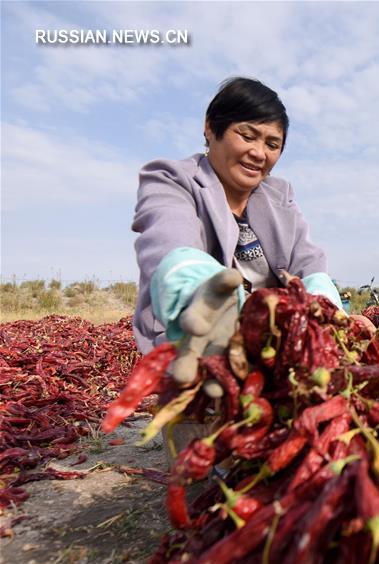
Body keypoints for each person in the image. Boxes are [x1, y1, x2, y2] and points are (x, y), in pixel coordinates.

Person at [132, 76, 343, 393]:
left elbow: (308, 264)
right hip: (196, 348)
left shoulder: (279, 195)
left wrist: (328, 314)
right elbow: (170, 245)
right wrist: (206, 295)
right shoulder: (172, 181)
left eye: (272, 145)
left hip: (275, 350)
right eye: (247, 136)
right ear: (210, 128)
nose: (259, 153)